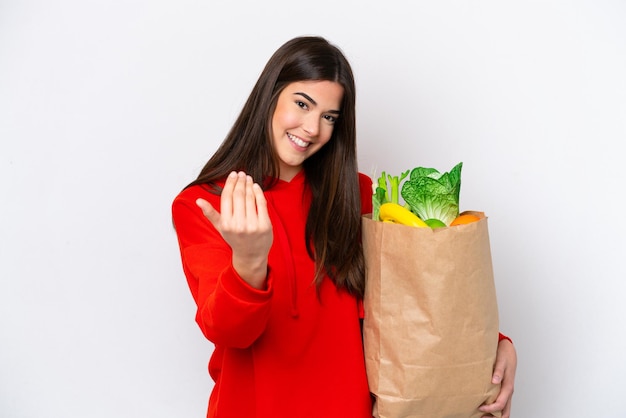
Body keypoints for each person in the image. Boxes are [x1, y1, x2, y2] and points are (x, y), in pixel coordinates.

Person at [171, 36, 517, 418]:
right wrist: (249, 262)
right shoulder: (205, 205)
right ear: (270, 96)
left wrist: (491, 343)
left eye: (329, 117)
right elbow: (230, 332)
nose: (312, 128)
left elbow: (407, 295)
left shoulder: (357, 194)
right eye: (302, 104)